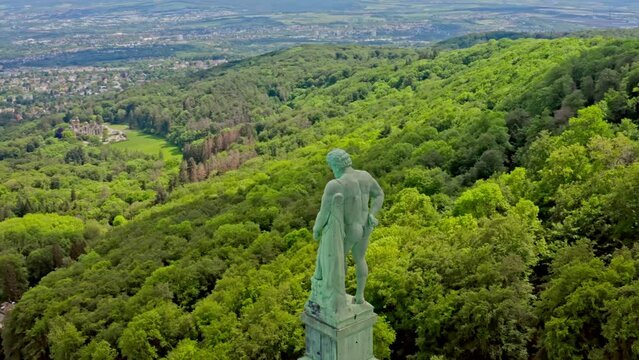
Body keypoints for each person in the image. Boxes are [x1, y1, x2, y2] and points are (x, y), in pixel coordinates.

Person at [312, 148, 384, 305]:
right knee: (360, 259)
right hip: (366, 225)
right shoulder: (365, 176)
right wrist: (373, 213)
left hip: (351, 229)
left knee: (339, 259)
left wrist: (317, 230)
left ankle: (340, 294)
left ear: (336, 166)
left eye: (331, 166)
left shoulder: (336, 185)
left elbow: (323, 213)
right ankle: (360, 296)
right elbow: (379, 194)